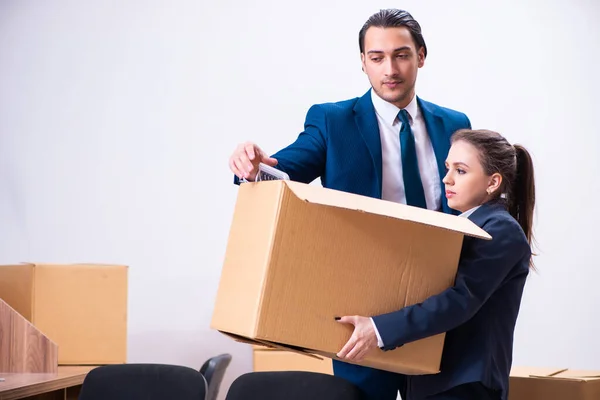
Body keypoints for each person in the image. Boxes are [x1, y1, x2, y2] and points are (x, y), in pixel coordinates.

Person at [228, 7, 472, 400]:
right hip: (364, 311)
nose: (389, 68)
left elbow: (470, 204)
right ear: (363, 62)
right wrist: (253, 167)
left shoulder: (455, 123)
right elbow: (283, 173)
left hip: (438, 308)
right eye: (377, 58)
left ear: (421, 56)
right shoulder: (332, 121)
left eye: (401, 55)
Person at [336, 129, 536, 400]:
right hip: (435, 383)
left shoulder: (500, 230)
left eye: (461, 171)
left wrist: (379, 329)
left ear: (493, 182)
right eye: (447, 168)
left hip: (464, 385)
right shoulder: (464, 225)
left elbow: (460, 299)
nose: (447, 178)